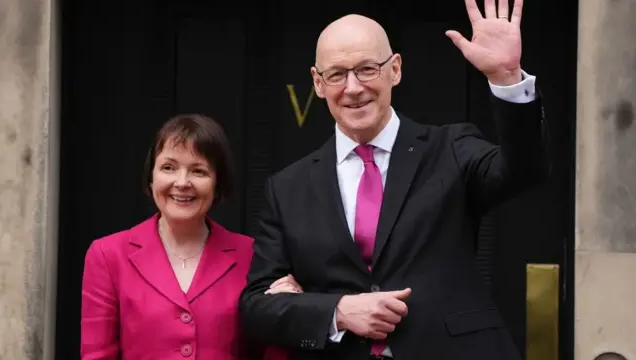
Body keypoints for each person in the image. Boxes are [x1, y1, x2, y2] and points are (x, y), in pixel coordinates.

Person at [240, 0, 549, 359]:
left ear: (395, 69)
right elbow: (257, 307)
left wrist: (506, 78)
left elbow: (525, 171)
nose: (353, 88)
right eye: (337, 74)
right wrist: (337, 311)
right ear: (318, 83)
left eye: (367, 69)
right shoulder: (288, 187)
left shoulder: (449, 148)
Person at [80, 114, 301, 360]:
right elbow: (97, 355)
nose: (182, 183)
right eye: (168, 168)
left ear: (218, 183)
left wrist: (286, 312)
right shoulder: (108, 255)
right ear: (151, 176)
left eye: (198, 171)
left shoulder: (252, 255)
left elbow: (271, 353)